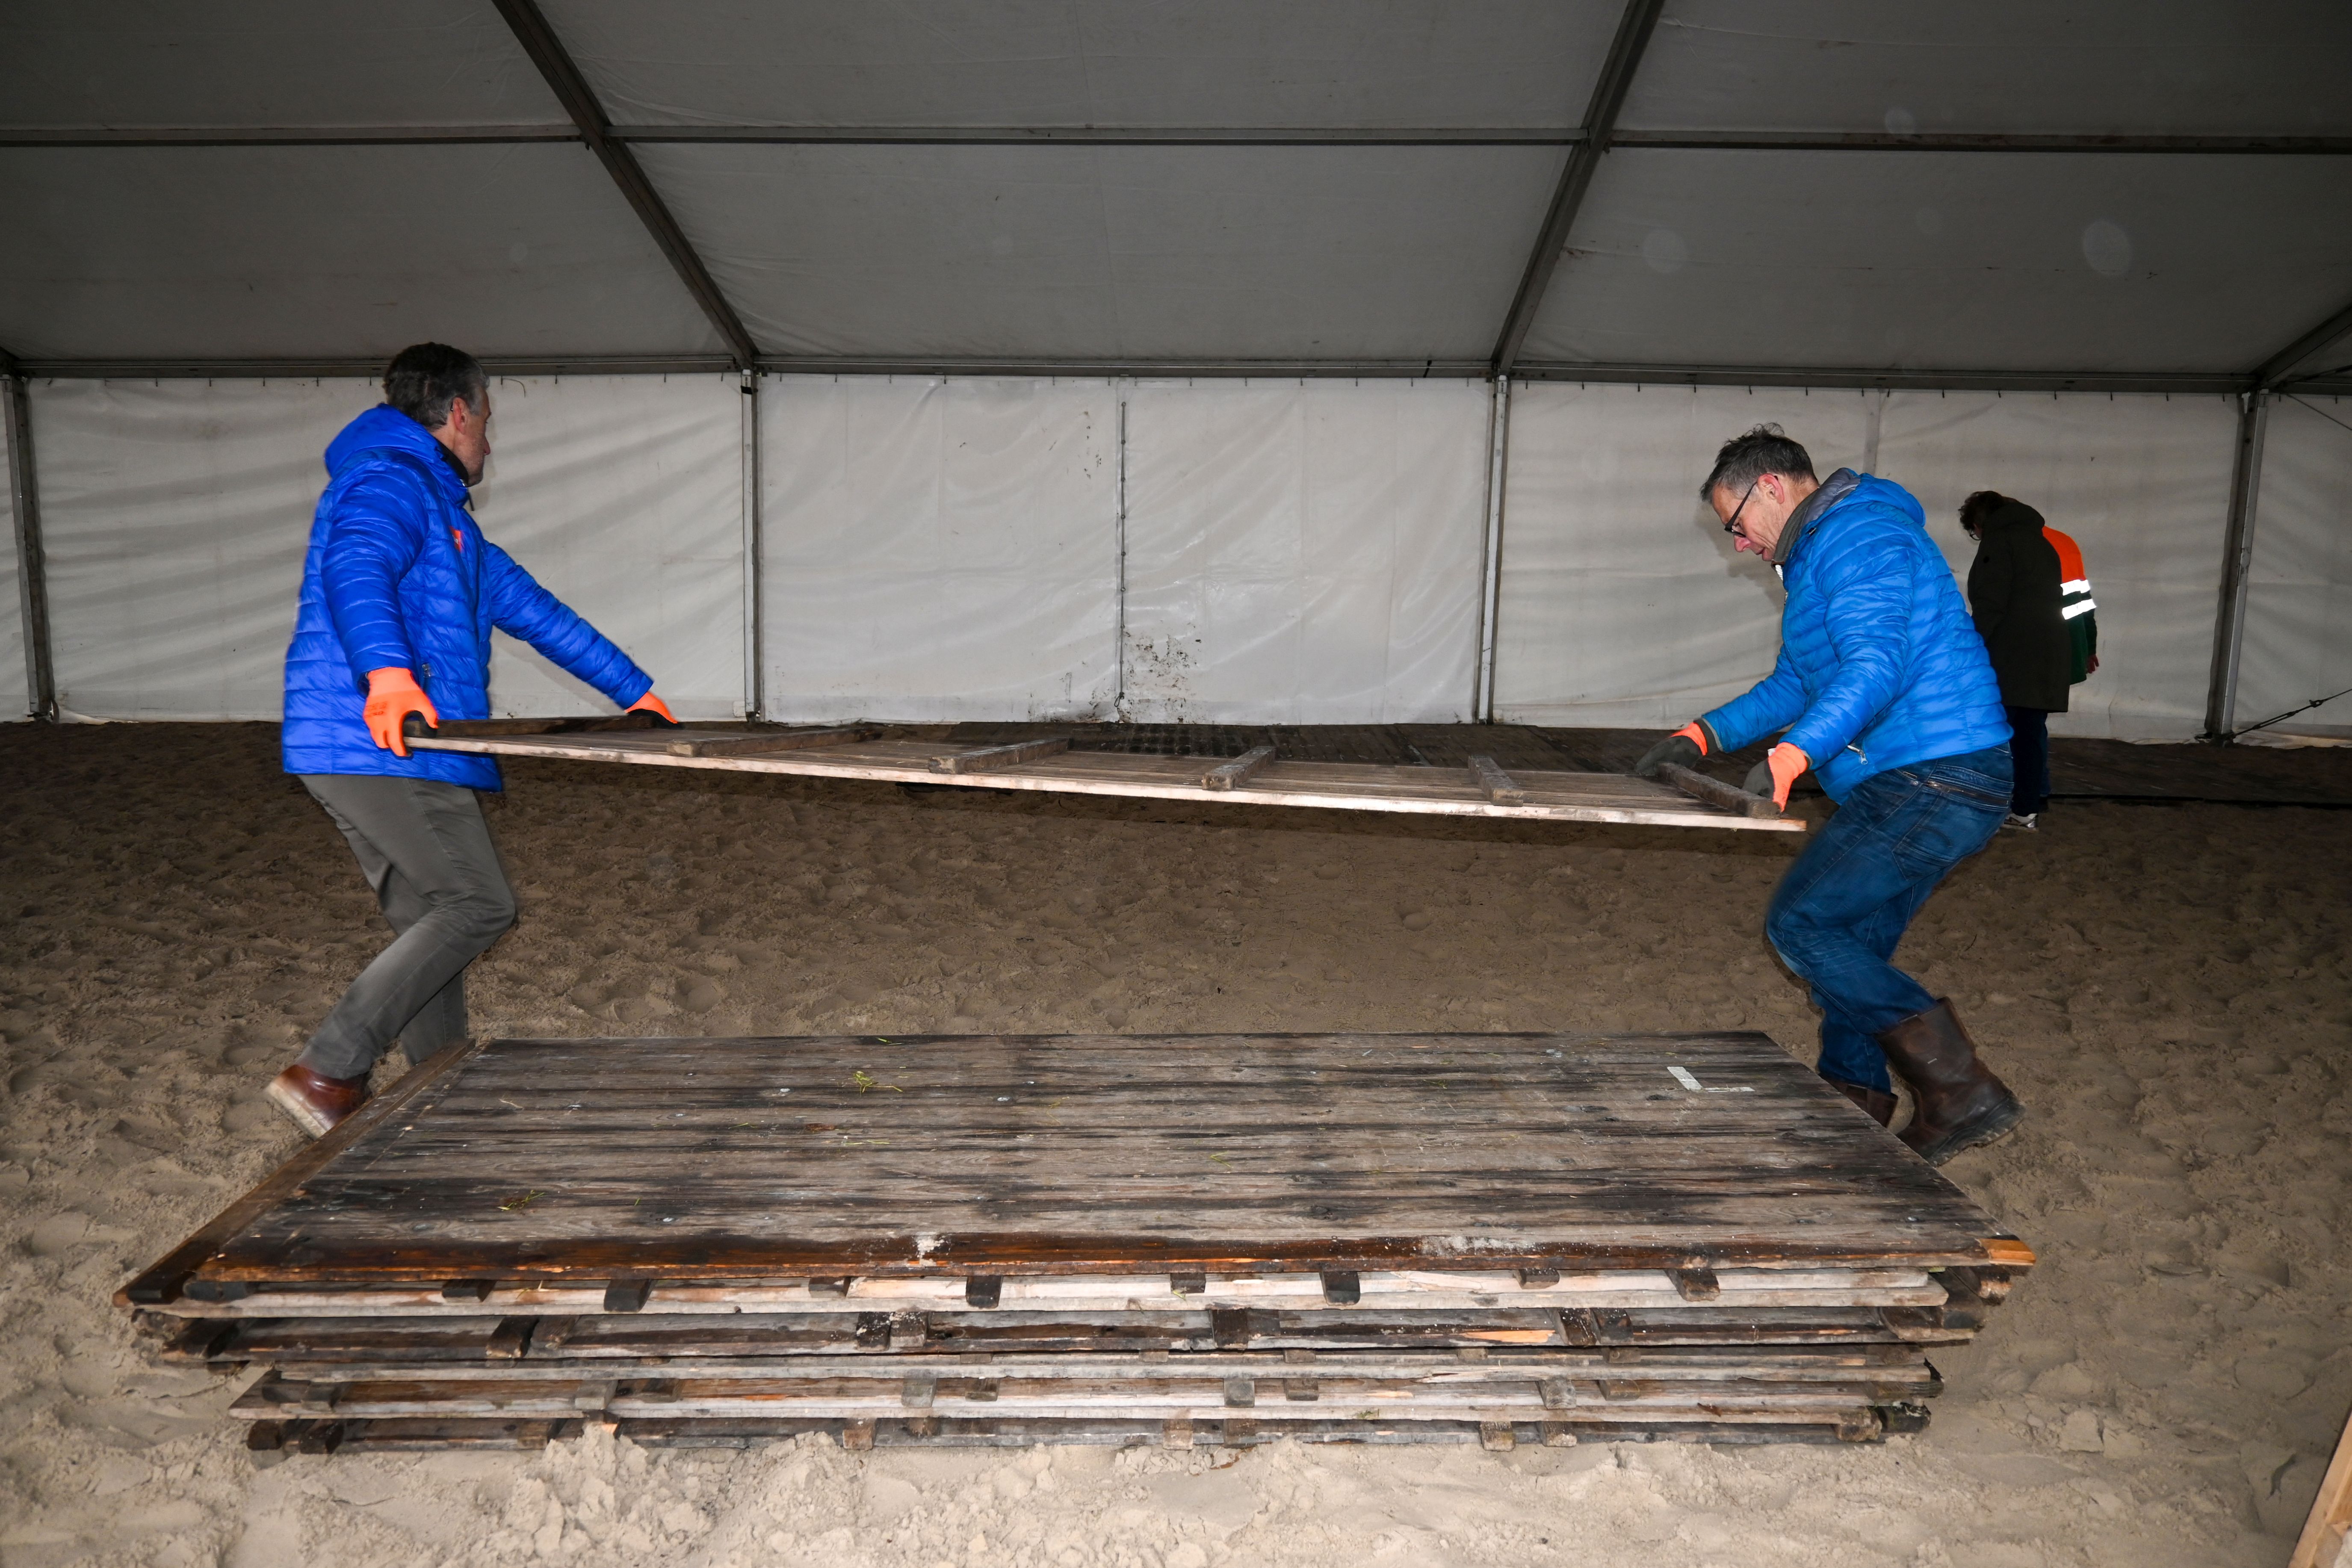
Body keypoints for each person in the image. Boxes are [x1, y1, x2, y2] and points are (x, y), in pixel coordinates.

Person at [269, 343, 675, 1137]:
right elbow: (356, 566)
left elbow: (537, 611)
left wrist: (636, 692)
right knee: (478, 902)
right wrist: (389, 675)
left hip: (369, 744)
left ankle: (439, 1086)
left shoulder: (447, 519)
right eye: (487, 417)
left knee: (432, 918)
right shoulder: (388, 480)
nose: (490, 437)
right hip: (387, 740)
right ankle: (328, 1069)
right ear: (458, 413)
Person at [1632, 425, 2024, 1165]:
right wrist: (1702, 735)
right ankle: (1852, 1099)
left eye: (1735, 523)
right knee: (1853, 941)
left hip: (1930, 773)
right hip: (1935, 774)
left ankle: (1961, 1087)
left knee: (1801, 923)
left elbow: (1876, 666)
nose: (1738, 543)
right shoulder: (1821, 554)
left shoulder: (1859, 537)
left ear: (1772, 486)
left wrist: (1796, 753)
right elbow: (1796, 682)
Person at [1959, 492, 2071, 831]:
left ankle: (2000, 805)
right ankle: (2027, 808)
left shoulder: (1999, 543)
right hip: (2046, 653)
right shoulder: (2043, 544)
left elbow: (1991, 603)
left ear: (1980, 523)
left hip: (2012, 656)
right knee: (2030, 734)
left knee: (1999, 735)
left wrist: (1970, 648)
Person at [2043, 521, 2100, 684]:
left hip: (2037, 658)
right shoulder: (2065, 541)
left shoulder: (2016, 544)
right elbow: (2085, 603)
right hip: (2071, 650)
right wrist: (2089, 648)